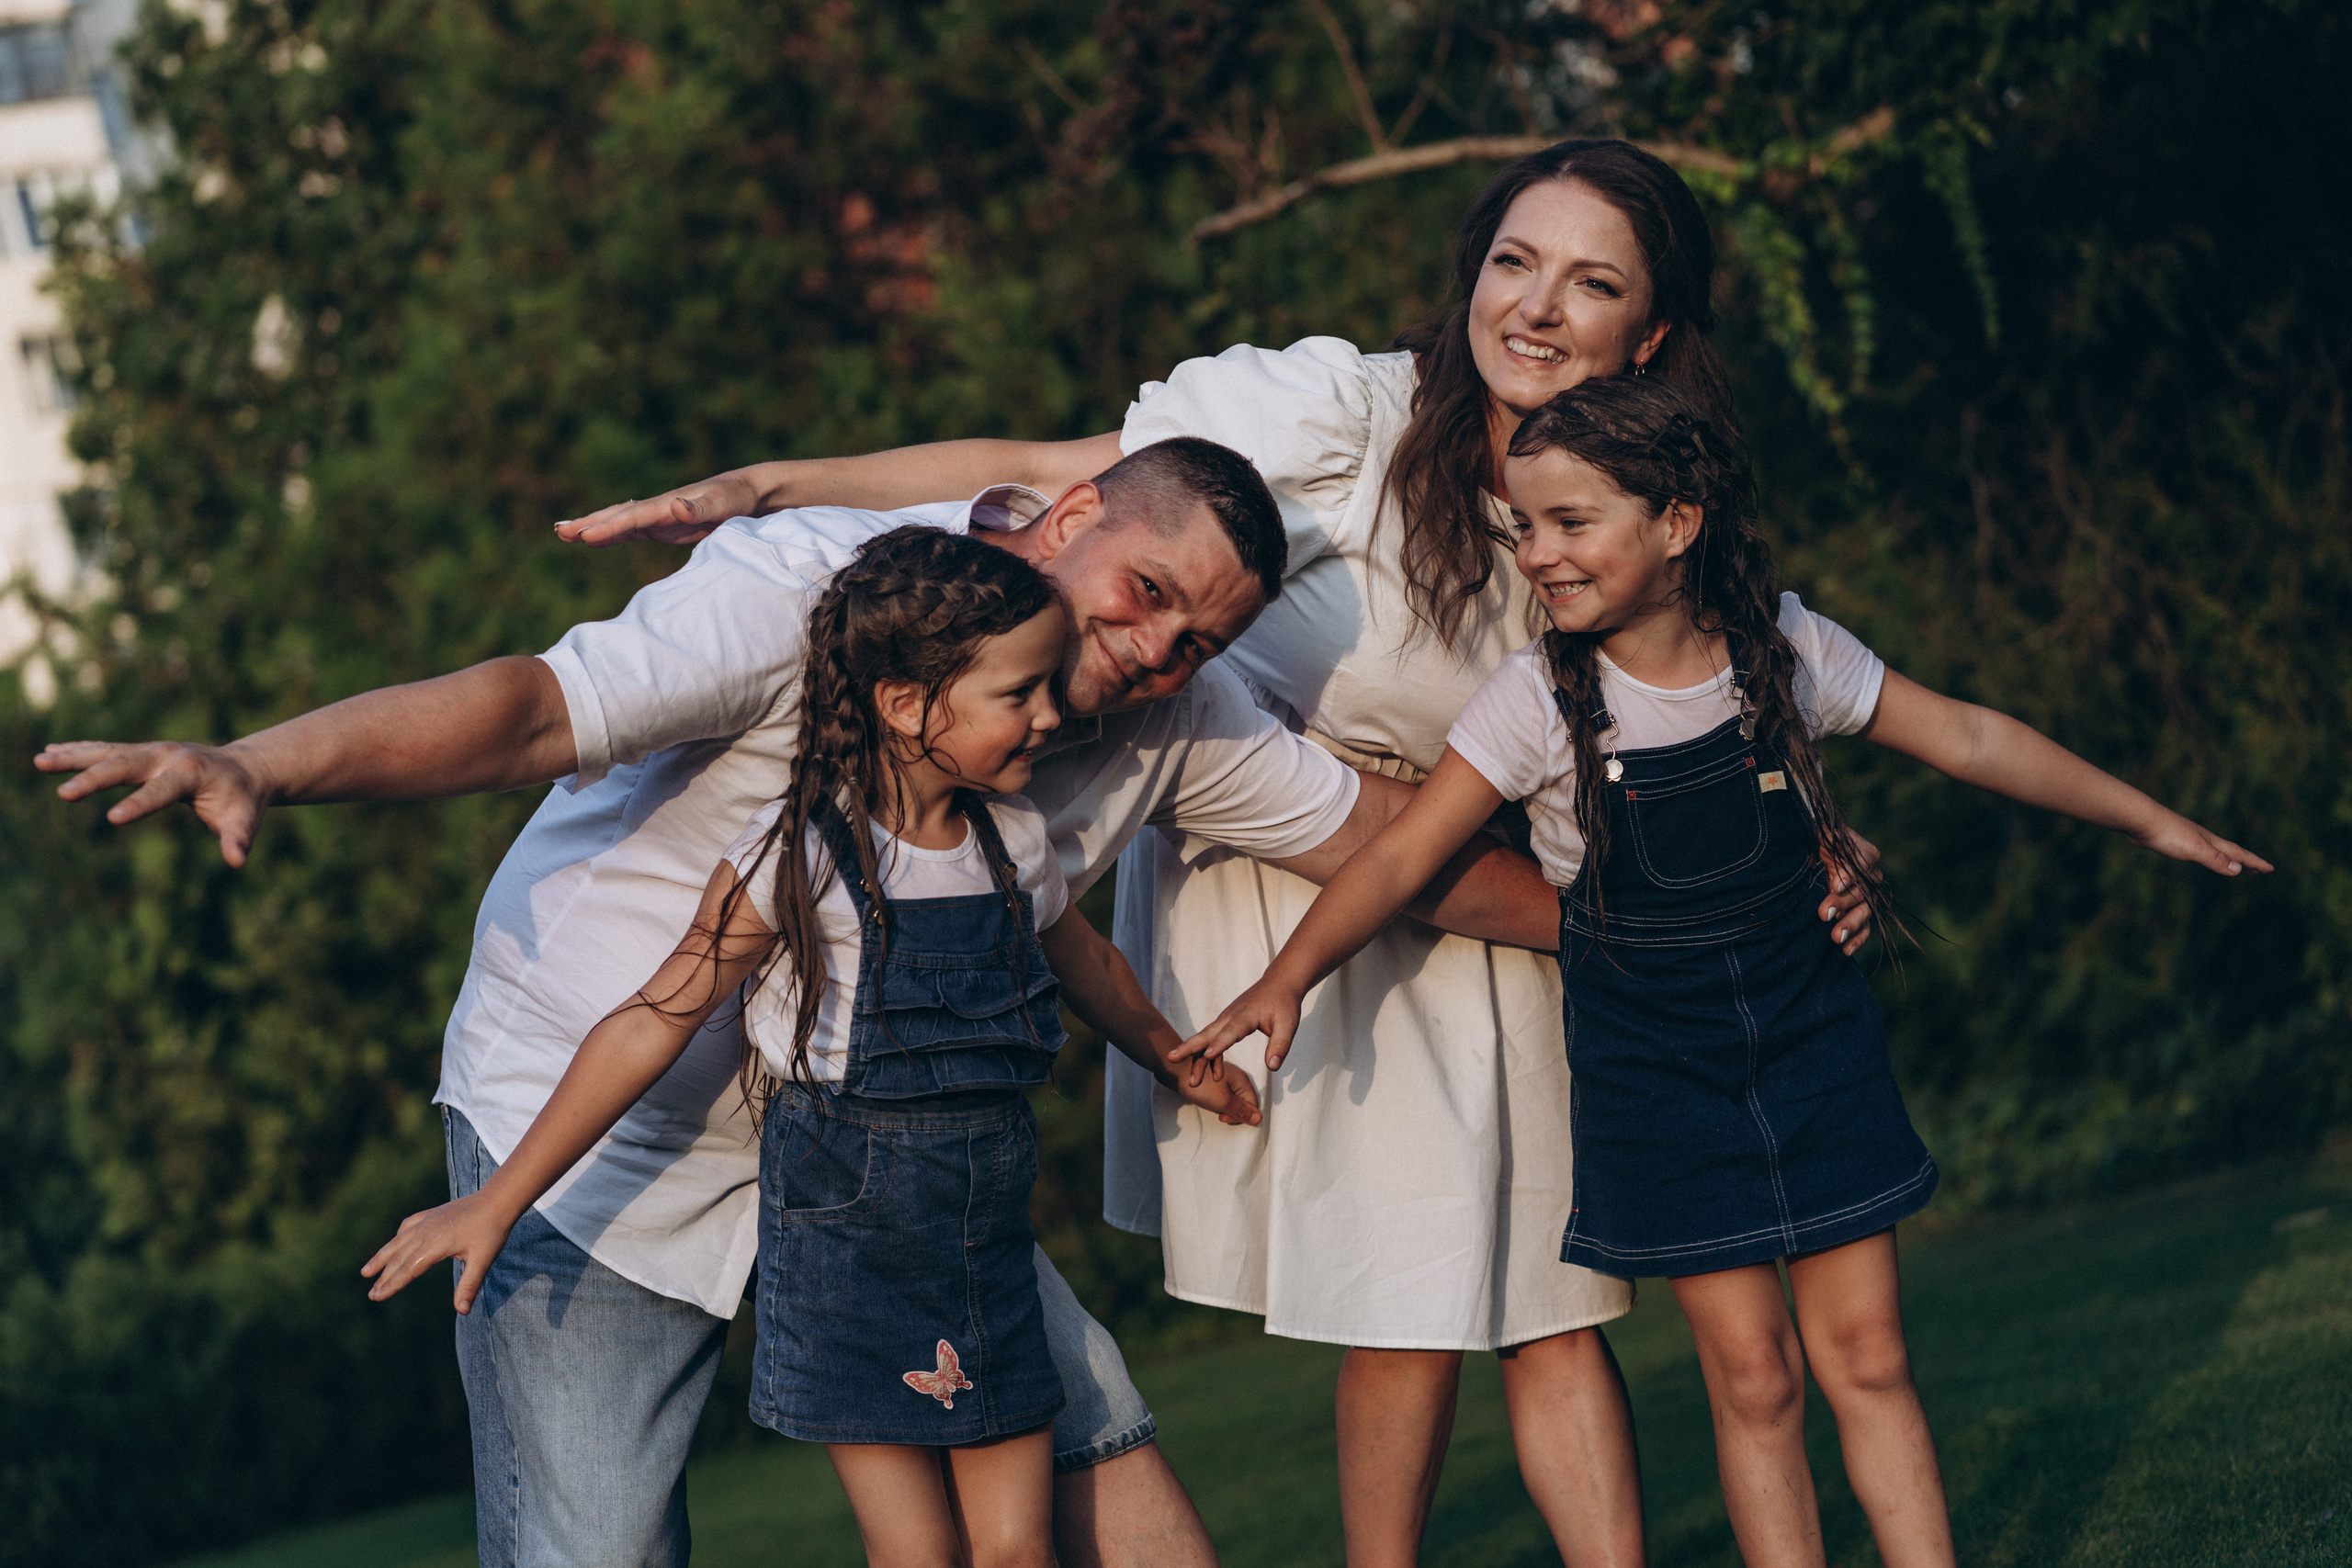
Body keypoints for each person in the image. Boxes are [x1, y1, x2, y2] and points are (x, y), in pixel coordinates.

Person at [553, 137, 1879, 1567]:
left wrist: (1803, 846)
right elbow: (1051, 474)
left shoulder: (1626, 493)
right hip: (1303, 871)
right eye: (1515, 261)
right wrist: (774, 483)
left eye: (1593, 282)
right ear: (1472, 272)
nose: (1540, 308)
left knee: (1557, 1297)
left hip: (1510, 884)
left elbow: (1707, 685)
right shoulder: (1338, 416)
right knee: (1413, 1296)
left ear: (1651, 331)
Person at [39, 437, 1577, 1568]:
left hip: (906, 1188)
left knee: (1095, 1441)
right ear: (1076, 508)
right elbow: (527, 712)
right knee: (596, 1547)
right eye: (1146, 595)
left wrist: (1676, 923)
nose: (1153, 653)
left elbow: (1398, 852)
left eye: (1203, 639)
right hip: (604, 1142)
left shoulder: (1147, 722)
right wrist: (259, 763)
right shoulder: (809, 604)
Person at [1174, 377, 2271, 1568]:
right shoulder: (1535, 701)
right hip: (1658, 1081)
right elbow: (1397, 862)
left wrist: (2152, 819)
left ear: (1678, 521)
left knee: (1871, 1357)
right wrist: (1287, 977)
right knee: (1755, 1378)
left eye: (1571, 521)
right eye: (1528, 524)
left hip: (1816, 1049)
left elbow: (1965, 734)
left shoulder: (1786, 650)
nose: (1538, 552)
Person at [361, 528, 1258, 1568]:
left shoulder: (1012, 843)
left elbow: (1087, 963)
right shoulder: (800, 859)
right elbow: (652, 1019)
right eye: (1020, 693)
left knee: (1017, 1550)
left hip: (979, 1241)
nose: (1052, 716)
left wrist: (1170, 1055)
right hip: (846, 1260)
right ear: (908, 705)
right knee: (918, 1554)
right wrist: (499, 1197)